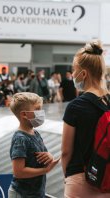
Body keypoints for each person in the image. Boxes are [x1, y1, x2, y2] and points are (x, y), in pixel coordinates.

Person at [61, 40, 110, 197]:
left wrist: (67, 177)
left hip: (80, 180)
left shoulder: (76, 106)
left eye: (74, 70)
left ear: (84, 74)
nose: (73, 75)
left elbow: (65, 152)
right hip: (106, 178)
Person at [8, 92, 60, 197]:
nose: (41, 112)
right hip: (22, 194)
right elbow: (18, 171)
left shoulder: (35, 133)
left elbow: (43, 154)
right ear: (24, 114)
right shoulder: (20, 139)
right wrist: (45, 170)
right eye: (37, 109)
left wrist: (49, 156)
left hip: (36, 193)